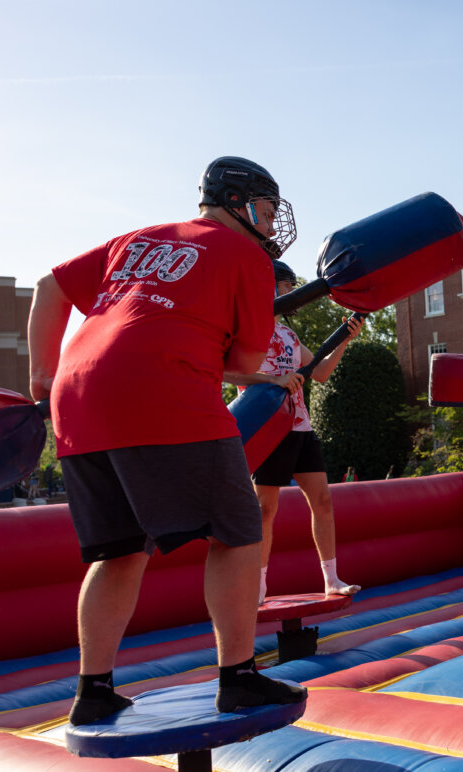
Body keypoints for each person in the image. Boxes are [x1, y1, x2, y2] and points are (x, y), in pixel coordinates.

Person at [27, 156, 308, 725]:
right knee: (237, 530)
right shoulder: (249, 259)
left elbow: (48, 287)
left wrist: (42, 380)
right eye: (270, 207)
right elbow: (246, 362)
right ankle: (240, 676)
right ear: (240, 202)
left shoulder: (138, 237)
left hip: (76, 400)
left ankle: (94, 689)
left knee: (119, 551)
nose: (274, 220)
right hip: (162, 393)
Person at [224, 261, 363, 603]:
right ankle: (258, 587)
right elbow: (229, 374)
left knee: (323, 501)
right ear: (267, 288)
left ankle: (331, 579)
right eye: (286, 289)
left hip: (300, 426)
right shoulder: (247, 330)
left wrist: (345, 338)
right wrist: (275, 380)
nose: (291, 296)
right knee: (265, 509)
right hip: (268, 429)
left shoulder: (288, 335)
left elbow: (321, 372)